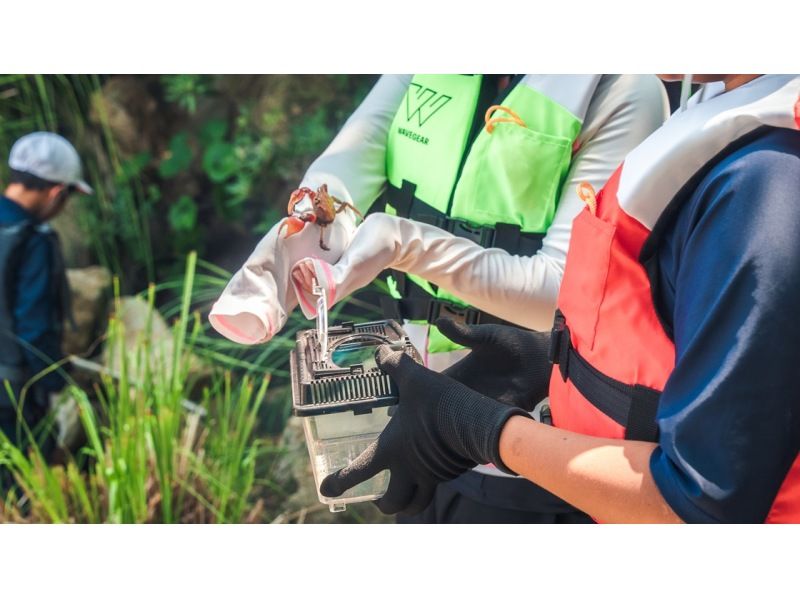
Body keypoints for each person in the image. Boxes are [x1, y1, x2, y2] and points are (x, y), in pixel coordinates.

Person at [317, 74, 800, 523]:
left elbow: (698, 508)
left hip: (556, 489)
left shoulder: (765, 185)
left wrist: (477, 428)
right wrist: (555, 360)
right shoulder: (718, 111)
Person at [210, 74, 669, 523]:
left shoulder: (622, 88)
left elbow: (560, 290)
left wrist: (407, 245)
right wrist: (306, 228)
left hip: (529, 449)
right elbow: (352, 159)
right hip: (414, 420)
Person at [0, 132, 92, 457]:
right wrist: (57, 385)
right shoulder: (33, 240)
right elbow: (33, 328)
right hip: (11, 396)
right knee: (26, 474)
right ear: (56, 193)